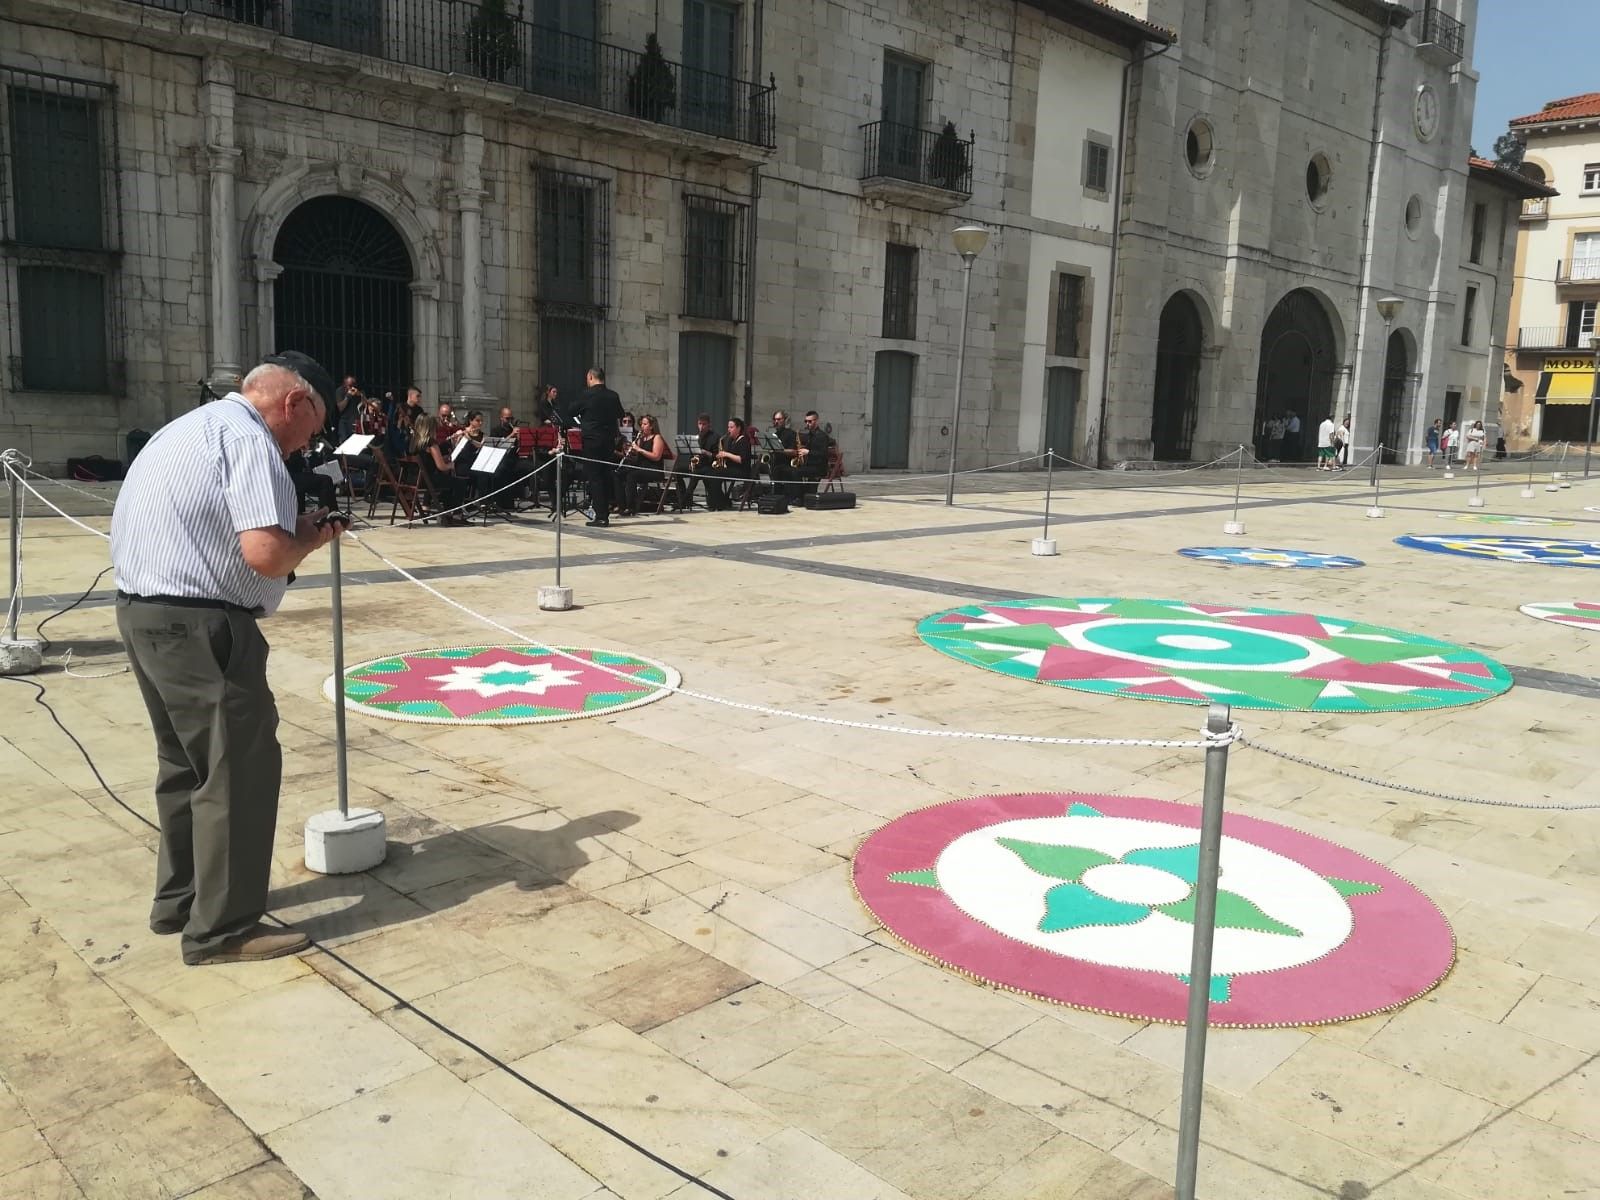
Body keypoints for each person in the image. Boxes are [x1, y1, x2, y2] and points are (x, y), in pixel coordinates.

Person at [110, 352, 344, 967]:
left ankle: (181, 900)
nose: (304, 446)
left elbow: (212, 525)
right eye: (312, 429)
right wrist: (313, 536)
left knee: (186, 766)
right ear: (296, 403)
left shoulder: (192, 426)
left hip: (145, 613)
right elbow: (266, 555)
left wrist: (292, 526)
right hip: (202, 626)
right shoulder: (250, 440)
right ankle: (223, 930)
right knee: (236, 771)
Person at [562, 366, 623, 526]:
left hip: (592, 441)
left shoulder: (587, 394)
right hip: (608, 440)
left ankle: (601, 516)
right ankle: (606, 510)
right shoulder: (613, 395)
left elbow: (571, 410)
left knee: (595, 477)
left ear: (590, 377)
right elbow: (620, 414)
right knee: (606, 474)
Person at [618, 414, 670, 515]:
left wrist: (639, 450)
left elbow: (656, 456)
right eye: (641, 424)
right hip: (642, 468)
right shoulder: (641, 438)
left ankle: (631, 507)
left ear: (651, 426)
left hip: (654, 470)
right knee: (619, 474)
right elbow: (637, 457)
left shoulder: (657, 438)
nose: (642, 426)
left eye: (645, 424)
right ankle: (621, 505)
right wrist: (629, 451)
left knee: (631, 476)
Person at [708, 416, 753, 510]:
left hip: (742, 470)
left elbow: (741, 459)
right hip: (732, 469)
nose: (729, 430)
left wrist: (726, 454)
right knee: (711, 473)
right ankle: (721, 501)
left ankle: (720, 503)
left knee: (715, 474)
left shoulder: (744, 440)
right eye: (728, 427)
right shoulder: (730, 440)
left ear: (738, 428)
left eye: (731, 427)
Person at [680, 413, 719, 510]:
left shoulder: (715, 437)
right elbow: (692, 452)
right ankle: (682, 496)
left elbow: (717, 456)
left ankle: (685, 501)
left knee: (695, 474)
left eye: (704, 424)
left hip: (709, 465)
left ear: (709, 425)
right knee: (677, 471)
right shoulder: (697, 438)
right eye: (699, 424)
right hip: (698, 464)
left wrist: (706, 452)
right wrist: (691, 462)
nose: (701, 427)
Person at [795, 409, 831, 496]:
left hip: (819, 467)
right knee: (792, 470)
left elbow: (823, 454)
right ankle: (800, 495)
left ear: (816, 421)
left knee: (795, 473)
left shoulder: (822, 436)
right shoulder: (810, 435)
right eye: (806, 421)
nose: (807, 423)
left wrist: (808, 452)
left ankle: (800, 496)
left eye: (810, 421)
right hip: (810, 465)